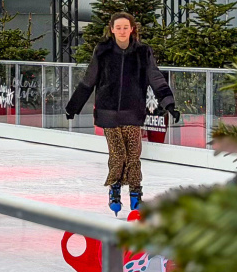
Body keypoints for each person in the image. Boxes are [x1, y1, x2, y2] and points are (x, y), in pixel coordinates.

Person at [65, 12, 180, 214]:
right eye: (118, 27)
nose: (122, 31)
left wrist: (169, 103)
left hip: (132, 112)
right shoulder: (102, 51)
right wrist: (73, 107)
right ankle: (115, 188)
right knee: (118, 155)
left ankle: (136, 193)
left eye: (125, 27)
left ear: (132, 29)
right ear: (112, 29)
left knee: (134, 155)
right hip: (108, 113)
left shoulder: (143, 52)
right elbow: (88, 80)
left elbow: (156, 78)